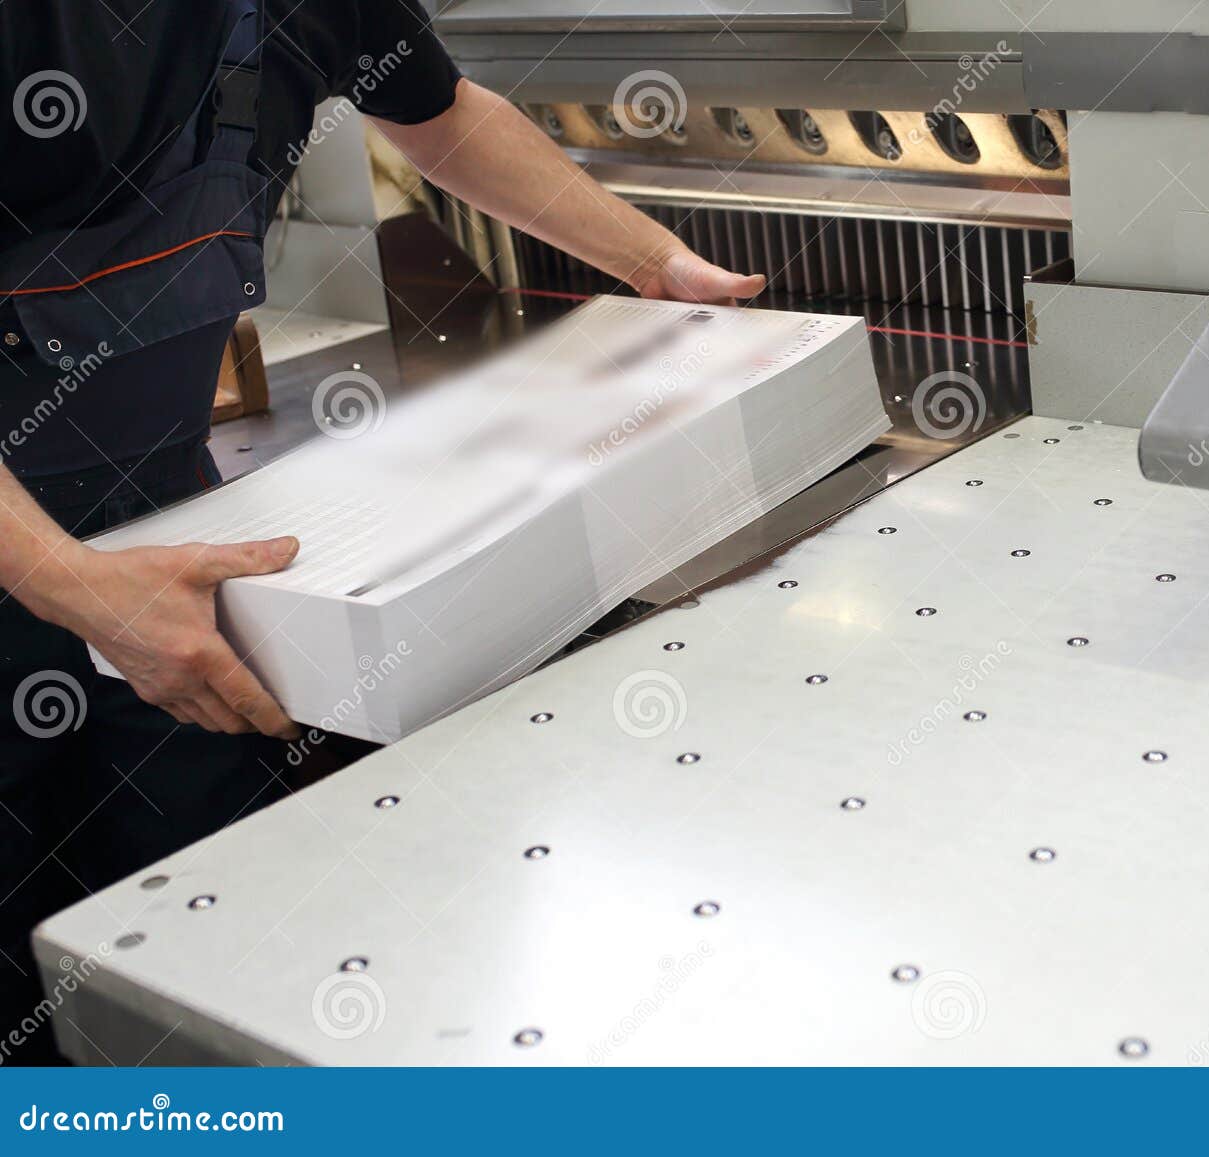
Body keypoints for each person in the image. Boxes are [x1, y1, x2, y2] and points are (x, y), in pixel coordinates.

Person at [0, 0, 764, 1064]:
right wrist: (71, 582)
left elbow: (440, 114)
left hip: (172, 537)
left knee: (198, 916)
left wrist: (652, 262)